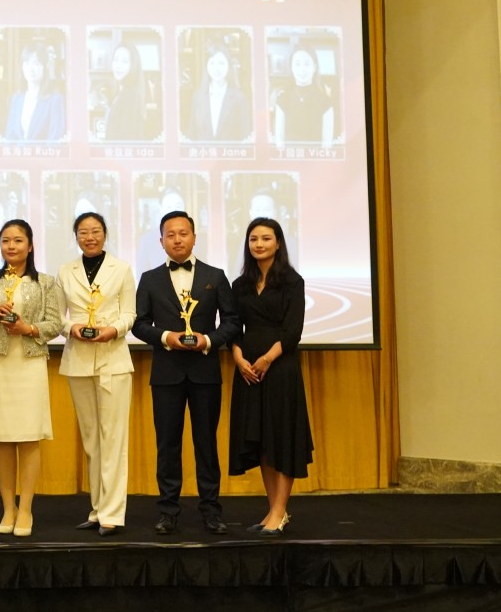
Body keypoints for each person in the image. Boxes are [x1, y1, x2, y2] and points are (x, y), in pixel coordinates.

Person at [132, 211, 239, 536]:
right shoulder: (149, 279)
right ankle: (167, 511)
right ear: (161, 241)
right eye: (171, 234)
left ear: (194, 237)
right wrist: (167, 337)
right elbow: (139, 324)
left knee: (207, 443)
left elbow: (232, 321)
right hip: (166, 374)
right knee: (167, 445)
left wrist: (209, 340)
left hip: (205, 373)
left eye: (183, 233)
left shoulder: (215, 276)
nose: (177, 239)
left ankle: (211, 511)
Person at [0, 219, 63, 536]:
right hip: (0, 363)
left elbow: (55, 324)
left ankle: (25, 509)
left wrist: (28, 328)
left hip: (30, 363)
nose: (11, 246)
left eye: (18, 240)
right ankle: (8, 508)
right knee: (3, 437)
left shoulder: (46, 282)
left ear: (30, 245)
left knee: (28, 435)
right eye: (6, 240)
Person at [228, 218, 313, 535]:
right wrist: (238, 357)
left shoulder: (292, 281)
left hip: (280, 367)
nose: (259, 244)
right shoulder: (240, 285)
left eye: (266, 238)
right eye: (253, 239)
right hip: (248, 370)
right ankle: (272, 510)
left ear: (278, 243)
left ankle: (280, 511)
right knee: (260, 440)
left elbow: (293, 331)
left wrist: (267, 358)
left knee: (282, 438)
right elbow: (234, 327)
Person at [57, 212, 136, 537]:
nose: (89, 237)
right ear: (76, 236)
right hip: (78, 360)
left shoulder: (122, 268)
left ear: (105, 234)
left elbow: (130, 313)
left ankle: (112, 514)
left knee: (113, 439)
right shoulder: (66, 271)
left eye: (95, 231)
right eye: (83, 232)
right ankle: (97, 508)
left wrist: (113, 330)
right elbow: (57, 316)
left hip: (113, 359)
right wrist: (72, 328)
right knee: (92, 441)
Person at [274, 46, 334, 148]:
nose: (302, 69)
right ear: (291, 67)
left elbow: (327, 144)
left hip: (315, 157)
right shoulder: (282, 99)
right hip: (290, 157)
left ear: (314, 67)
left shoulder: (325, 101)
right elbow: (279, 142)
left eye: (307, 64)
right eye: (297, 64)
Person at [187, 45, 251, 141]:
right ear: (207, 66)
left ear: (229, 66)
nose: (216, 68)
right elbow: (191, 134)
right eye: (212, 63)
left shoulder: (239, 98)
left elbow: (245, 136)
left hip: (229, 151)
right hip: (203, 151)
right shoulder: (198, 97)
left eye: (221, 63)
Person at [4, 42, 65, 142]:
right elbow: (10, 137)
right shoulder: (16, 99)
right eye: (26, 63)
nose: (30, 69)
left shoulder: (55, 100)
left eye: (36, 63)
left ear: (45, 66)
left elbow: (54, 140)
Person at [102, 43, 151, 141]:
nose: (118, 66)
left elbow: (127, 138)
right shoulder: (121, 90)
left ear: (133, 65)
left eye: (124, 61)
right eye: (115, 60)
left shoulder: (132, 95)